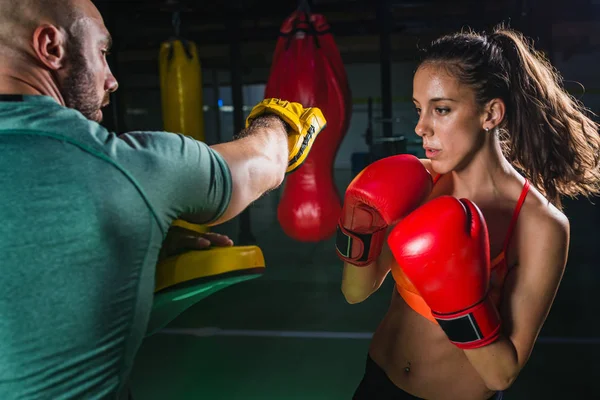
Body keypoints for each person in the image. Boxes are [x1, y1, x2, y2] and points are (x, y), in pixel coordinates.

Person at [0, 0, 326, 398]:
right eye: (102, 53)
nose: (111, 78)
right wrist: (276, 118)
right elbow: (264, 161)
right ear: (51, 46)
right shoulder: (127, 167)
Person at [336, 25, 600, 400]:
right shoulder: (416, 182)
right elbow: (354, 293)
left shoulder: (540, 224)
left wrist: (461, 302)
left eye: (441, 109)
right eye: (419, 109)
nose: (420, 126)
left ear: (490, 113)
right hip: (377, 383)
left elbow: (501, 374)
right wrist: (359, 228)